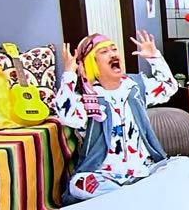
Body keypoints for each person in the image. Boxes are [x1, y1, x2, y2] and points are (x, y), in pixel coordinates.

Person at [55, 30, 178, 201]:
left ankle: (131, 196)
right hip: (105, 176)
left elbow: (169, 87)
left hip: (145, 170)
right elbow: (66, 115)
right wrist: (69, 74)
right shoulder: (88, 99)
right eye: (104, 52)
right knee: (79, 185)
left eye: (114, 49)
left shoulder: (136, 86)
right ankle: (134, 196)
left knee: (185, 166)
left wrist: (154, 57)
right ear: (92, 63)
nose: (113, 54)